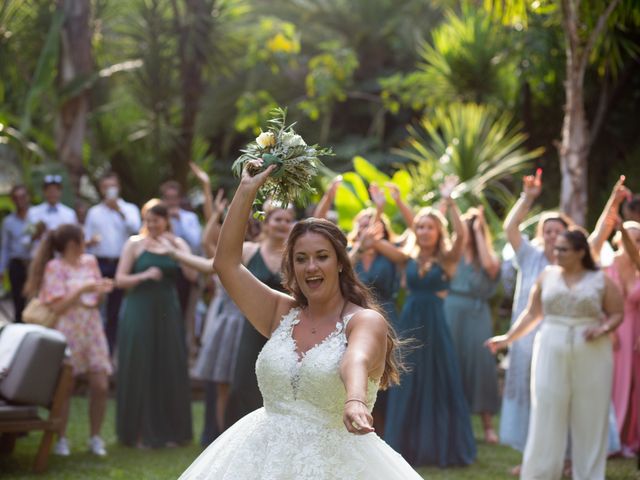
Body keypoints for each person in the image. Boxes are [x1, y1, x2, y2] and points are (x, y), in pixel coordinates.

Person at [179, 159, 421, 479]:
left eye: (321, 257)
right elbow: (226, 264)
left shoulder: (364, 321)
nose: (311, 268)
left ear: (339, 263)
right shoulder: (280, 312)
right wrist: (246, 190)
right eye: (301, 259)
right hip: (260, 455)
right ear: (291, 266)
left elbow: (357, 360)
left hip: (333, 462)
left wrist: (354, 401)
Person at [486, 227, 623, 479]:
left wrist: (603, 328)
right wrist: (507, 338)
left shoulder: (600, 279)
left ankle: (589, 474)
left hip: (592, 351)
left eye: (563, 249)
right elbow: (532, 313)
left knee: (590, 413)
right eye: (555, 247)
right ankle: (540, 473)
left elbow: (617, 312)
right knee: (547, 410)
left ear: (581, 252)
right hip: (550, 347)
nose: (555, 252)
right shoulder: (547, 275)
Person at [374, 176, 477, 467]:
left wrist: (451, 202)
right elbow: (373, 240)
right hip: (410, 323)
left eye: (429, 227)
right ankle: (407, 447)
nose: (424, 231)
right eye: (419, 226)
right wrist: (384, 207)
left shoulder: (447, 259)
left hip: (436, 325)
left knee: (439, 379)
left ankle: (440, 446)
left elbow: (462, 235)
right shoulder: (405, 258)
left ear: (437, 231)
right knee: (409, 380)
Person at [499, 169, 571, 466]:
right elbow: (511, 227)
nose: (553, 236)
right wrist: (527, 198)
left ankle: (566, 457)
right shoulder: (530, 256)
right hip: (526, 338)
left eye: (558, 231)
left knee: (561, 396)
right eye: (548, 231)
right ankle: (532, 458)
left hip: (562, 339)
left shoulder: (575, 262)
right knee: (531, 397)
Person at [23, 223, 113, 457]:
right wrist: (83, 288)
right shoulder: (54, 267)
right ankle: (60, 438)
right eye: (83, 240)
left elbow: (96, 299)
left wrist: (101, 291)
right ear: (73, 243)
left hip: (91, 328)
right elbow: (58, 305)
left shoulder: (90, 262)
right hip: (68, 330)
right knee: (66, 386)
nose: (86, 244)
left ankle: (95, 437)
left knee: (100, 385)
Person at [114, 200, 194, 448]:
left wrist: (177, 253)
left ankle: (171, 431)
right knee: (141, 363)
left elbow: (192, 276)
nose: (152, 225)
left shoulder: (177, 243)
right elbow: (120, 280)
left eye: (156, 221)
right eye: (148, 220)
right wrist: (144, 275)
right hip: (140, 309)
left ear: (165, 221)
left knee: (169, 364)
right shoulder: (134, 244)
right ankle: (137, 432)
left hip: (167, 310)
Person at [223, 198, 295, 427]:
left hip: (288, 329)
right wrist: (177, 255)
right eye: (278, 219)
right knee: (244, 383)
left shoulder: (297, 255)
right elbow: (216, 263)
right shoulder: (249, 250)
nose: (283, 224)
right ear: (266, 222)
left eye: (288, 220)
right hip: (253, 326)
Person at [444, 206, 501, 444]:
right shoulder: (452, 256)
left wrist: (479, 231)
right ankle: (452, 424)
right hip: (451, 310)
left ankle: (487, 426)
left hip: (477, 314)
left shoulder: (485, 258)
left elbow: (491, 267)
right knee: (452, 362)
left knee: (481, 364)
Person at [84, 171, 141, 352]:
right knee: (97, 305)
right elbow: (86, 239)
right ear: (101, 189)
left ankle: (110, 348)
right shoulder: (94, 212)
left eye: (112, 186)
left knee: (116, 309)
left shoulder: (129, 209)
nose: (109, 190)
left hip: (122, 264)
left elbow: (137, 231)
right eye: (106, 187)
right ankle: (96, 346)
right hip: (100, 263)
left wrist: (119, 211)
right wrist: (91, 242)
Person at [608, 222, 640, 456]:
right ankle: (613, 437)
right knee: (614, 383)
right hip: (615, 331)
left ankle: (632, 438)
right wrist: (609, 331)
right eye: (630, 238)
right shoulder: (607, 267)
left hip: (637, 332)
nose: (635, 244)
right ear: (618, 239)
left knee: (635, 386)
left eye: (639, 240)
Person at [0, 185, 31, 322]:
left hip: (34, 264)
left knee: (35, 302)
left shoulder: (36, 217)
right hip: (17, 264)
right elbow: (5, 247)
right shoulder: (8, 222)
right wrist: (1, 270)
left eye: (22, 197)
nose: (20, 201)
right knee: (18, 303)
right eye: (16, 198)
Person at [25, 174, 78, 254]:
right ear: (44, 192)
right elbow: (25, 240)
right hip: (39, 257)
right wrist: (35, 235)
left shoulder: (69, 213)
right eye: (49, 190)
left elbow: (73, 238)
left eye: (56, 190)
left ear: (60, 192)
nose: (52, 193)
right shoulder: (33, 212)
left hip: (61, 258)